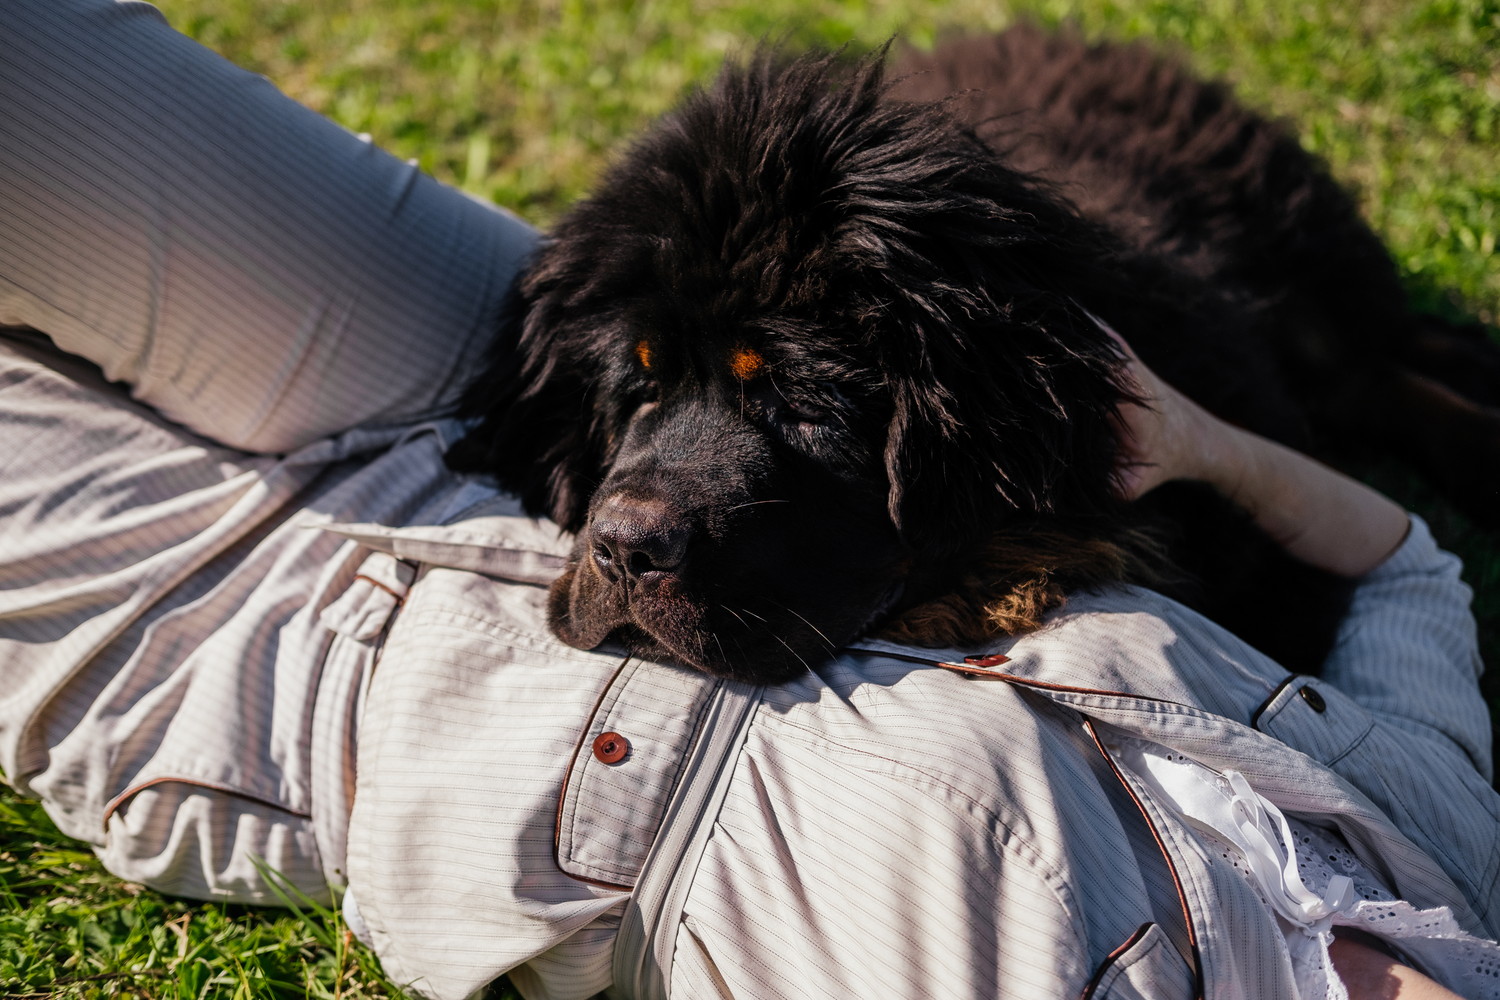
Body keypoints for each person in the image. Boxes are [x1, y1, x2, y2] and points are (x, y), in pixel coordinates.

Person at [1, 2, 1497, 998]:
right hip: (490, 394)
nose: (648, 514)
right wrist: (1195, 439)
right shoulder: (1441, 850)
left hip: (276, 671)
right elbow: (1409, 568)